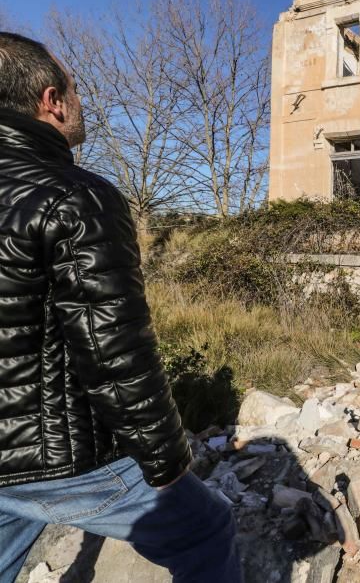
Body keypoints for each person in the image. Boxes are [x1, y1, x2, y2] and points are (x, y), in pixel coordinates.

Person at [0, 32, 242, 583]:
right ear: (51, 101)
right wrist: (168, 463)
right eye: (75, 91)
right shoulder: (73, 194)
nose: (81, 103)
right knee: (204, 530)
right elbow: (113, 352)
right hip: (51, 458)